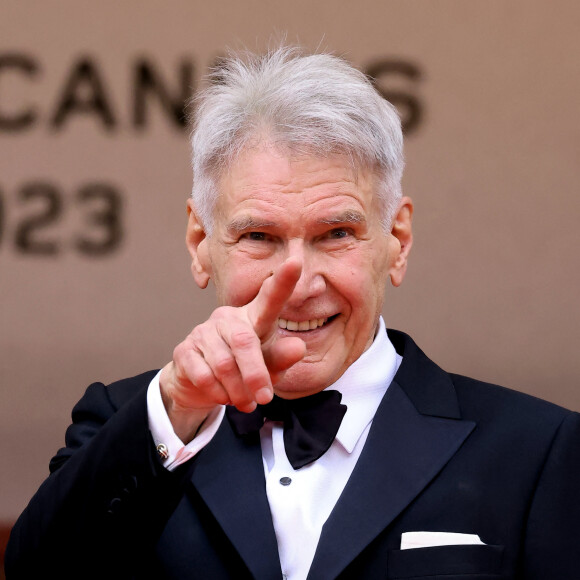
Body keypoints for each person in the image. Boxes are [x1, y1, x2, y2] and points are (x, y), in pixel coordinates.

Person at [5, 47, 580, 580]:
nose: (299, 282)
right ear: (200, 243)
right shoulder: (128, 424)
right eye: (259, 235)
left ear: (397, 241)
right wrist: (178, 411)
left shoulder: (541, 449)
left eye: (336, 234)